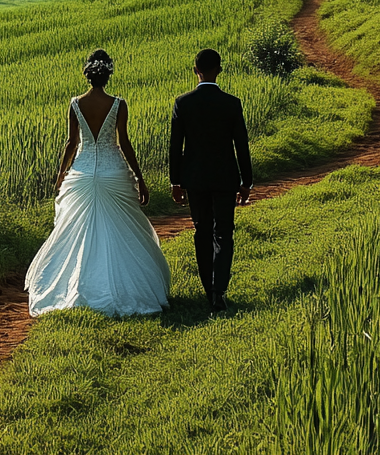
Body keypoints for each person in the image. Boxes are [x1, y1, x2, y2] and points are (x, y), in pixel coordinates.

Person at [25, 49, 171, 317]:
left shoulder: (75, 103)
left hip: (81, 171)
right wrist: (139, 177)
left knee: (75, 229)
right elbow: (123, 142)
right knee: (120, 227)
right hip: (112, 171)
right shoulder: (118, 104)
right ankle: (128, 286)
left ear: (88, 74)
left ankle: (76, 283)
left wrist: (61, 173)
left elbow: (72, 143)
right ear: (108, 74)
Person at [169, 47, 252, 313]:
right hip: (226, 177)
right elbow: (241, 144)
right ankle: (219, 291)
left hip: (194, 178)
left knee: (201, 231)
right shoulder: (231, 103)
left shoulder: (183, 103)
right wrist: (246, 181)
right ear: (219, 70)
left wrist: (176, 182)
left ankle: (208, 288)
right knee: (223, 233)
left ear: (196, 71)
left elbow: (175, 147)